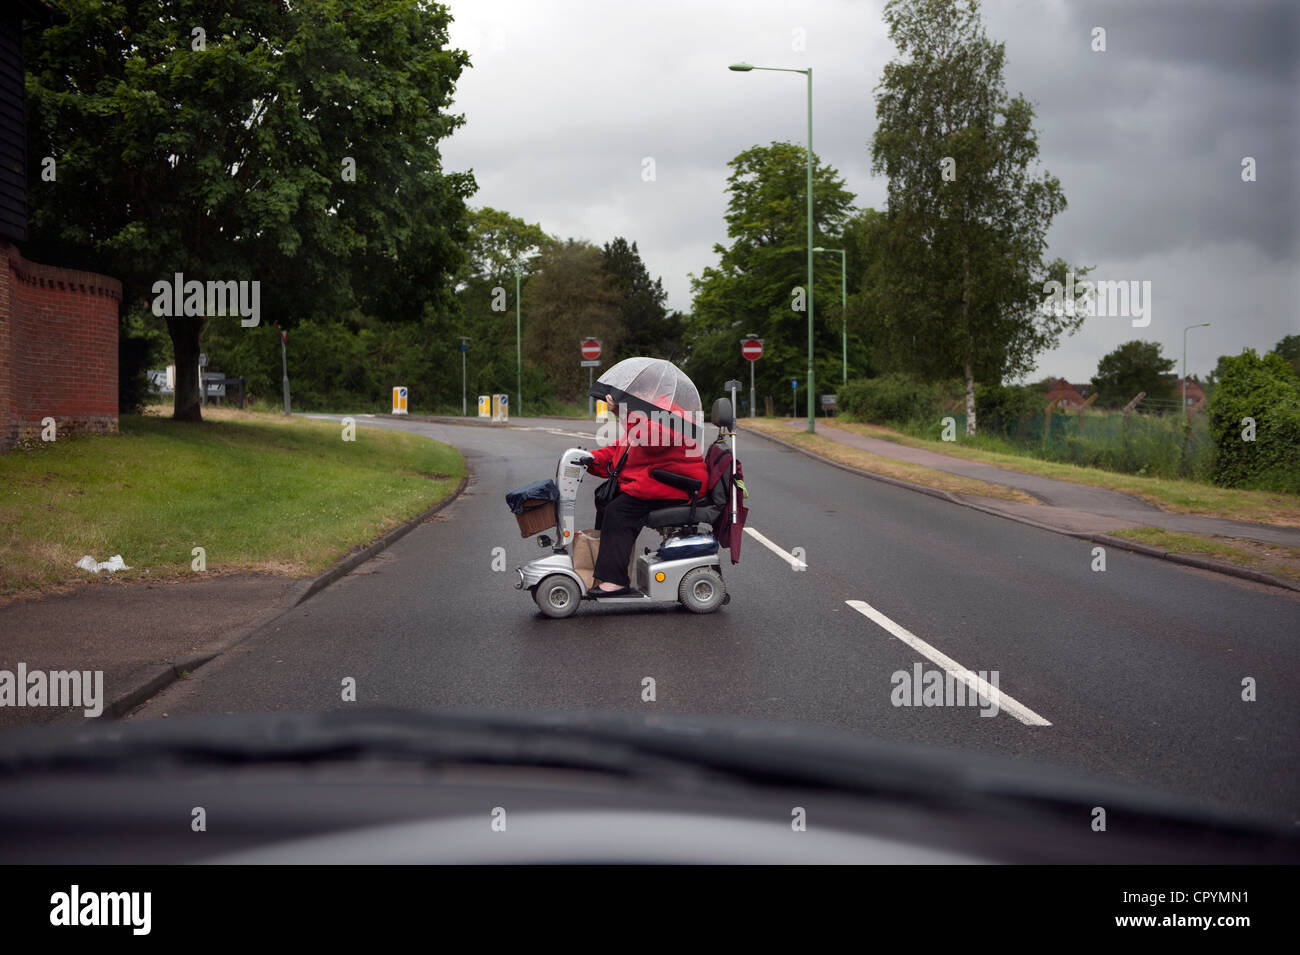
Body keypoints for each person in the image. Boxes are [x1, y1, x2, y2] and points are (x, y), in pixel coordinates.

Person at [582, 393, 708, 597]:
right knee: (606, 500)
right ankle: (606, 571)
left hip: (678, 484)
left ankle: (615, 580)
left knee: (619, 511)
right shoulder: (648, 411)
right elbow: (621, 451)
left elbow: (652, 440)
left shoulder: (672, 413)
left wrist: (622, 413)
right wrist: (588, 459)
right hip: (660, 481)